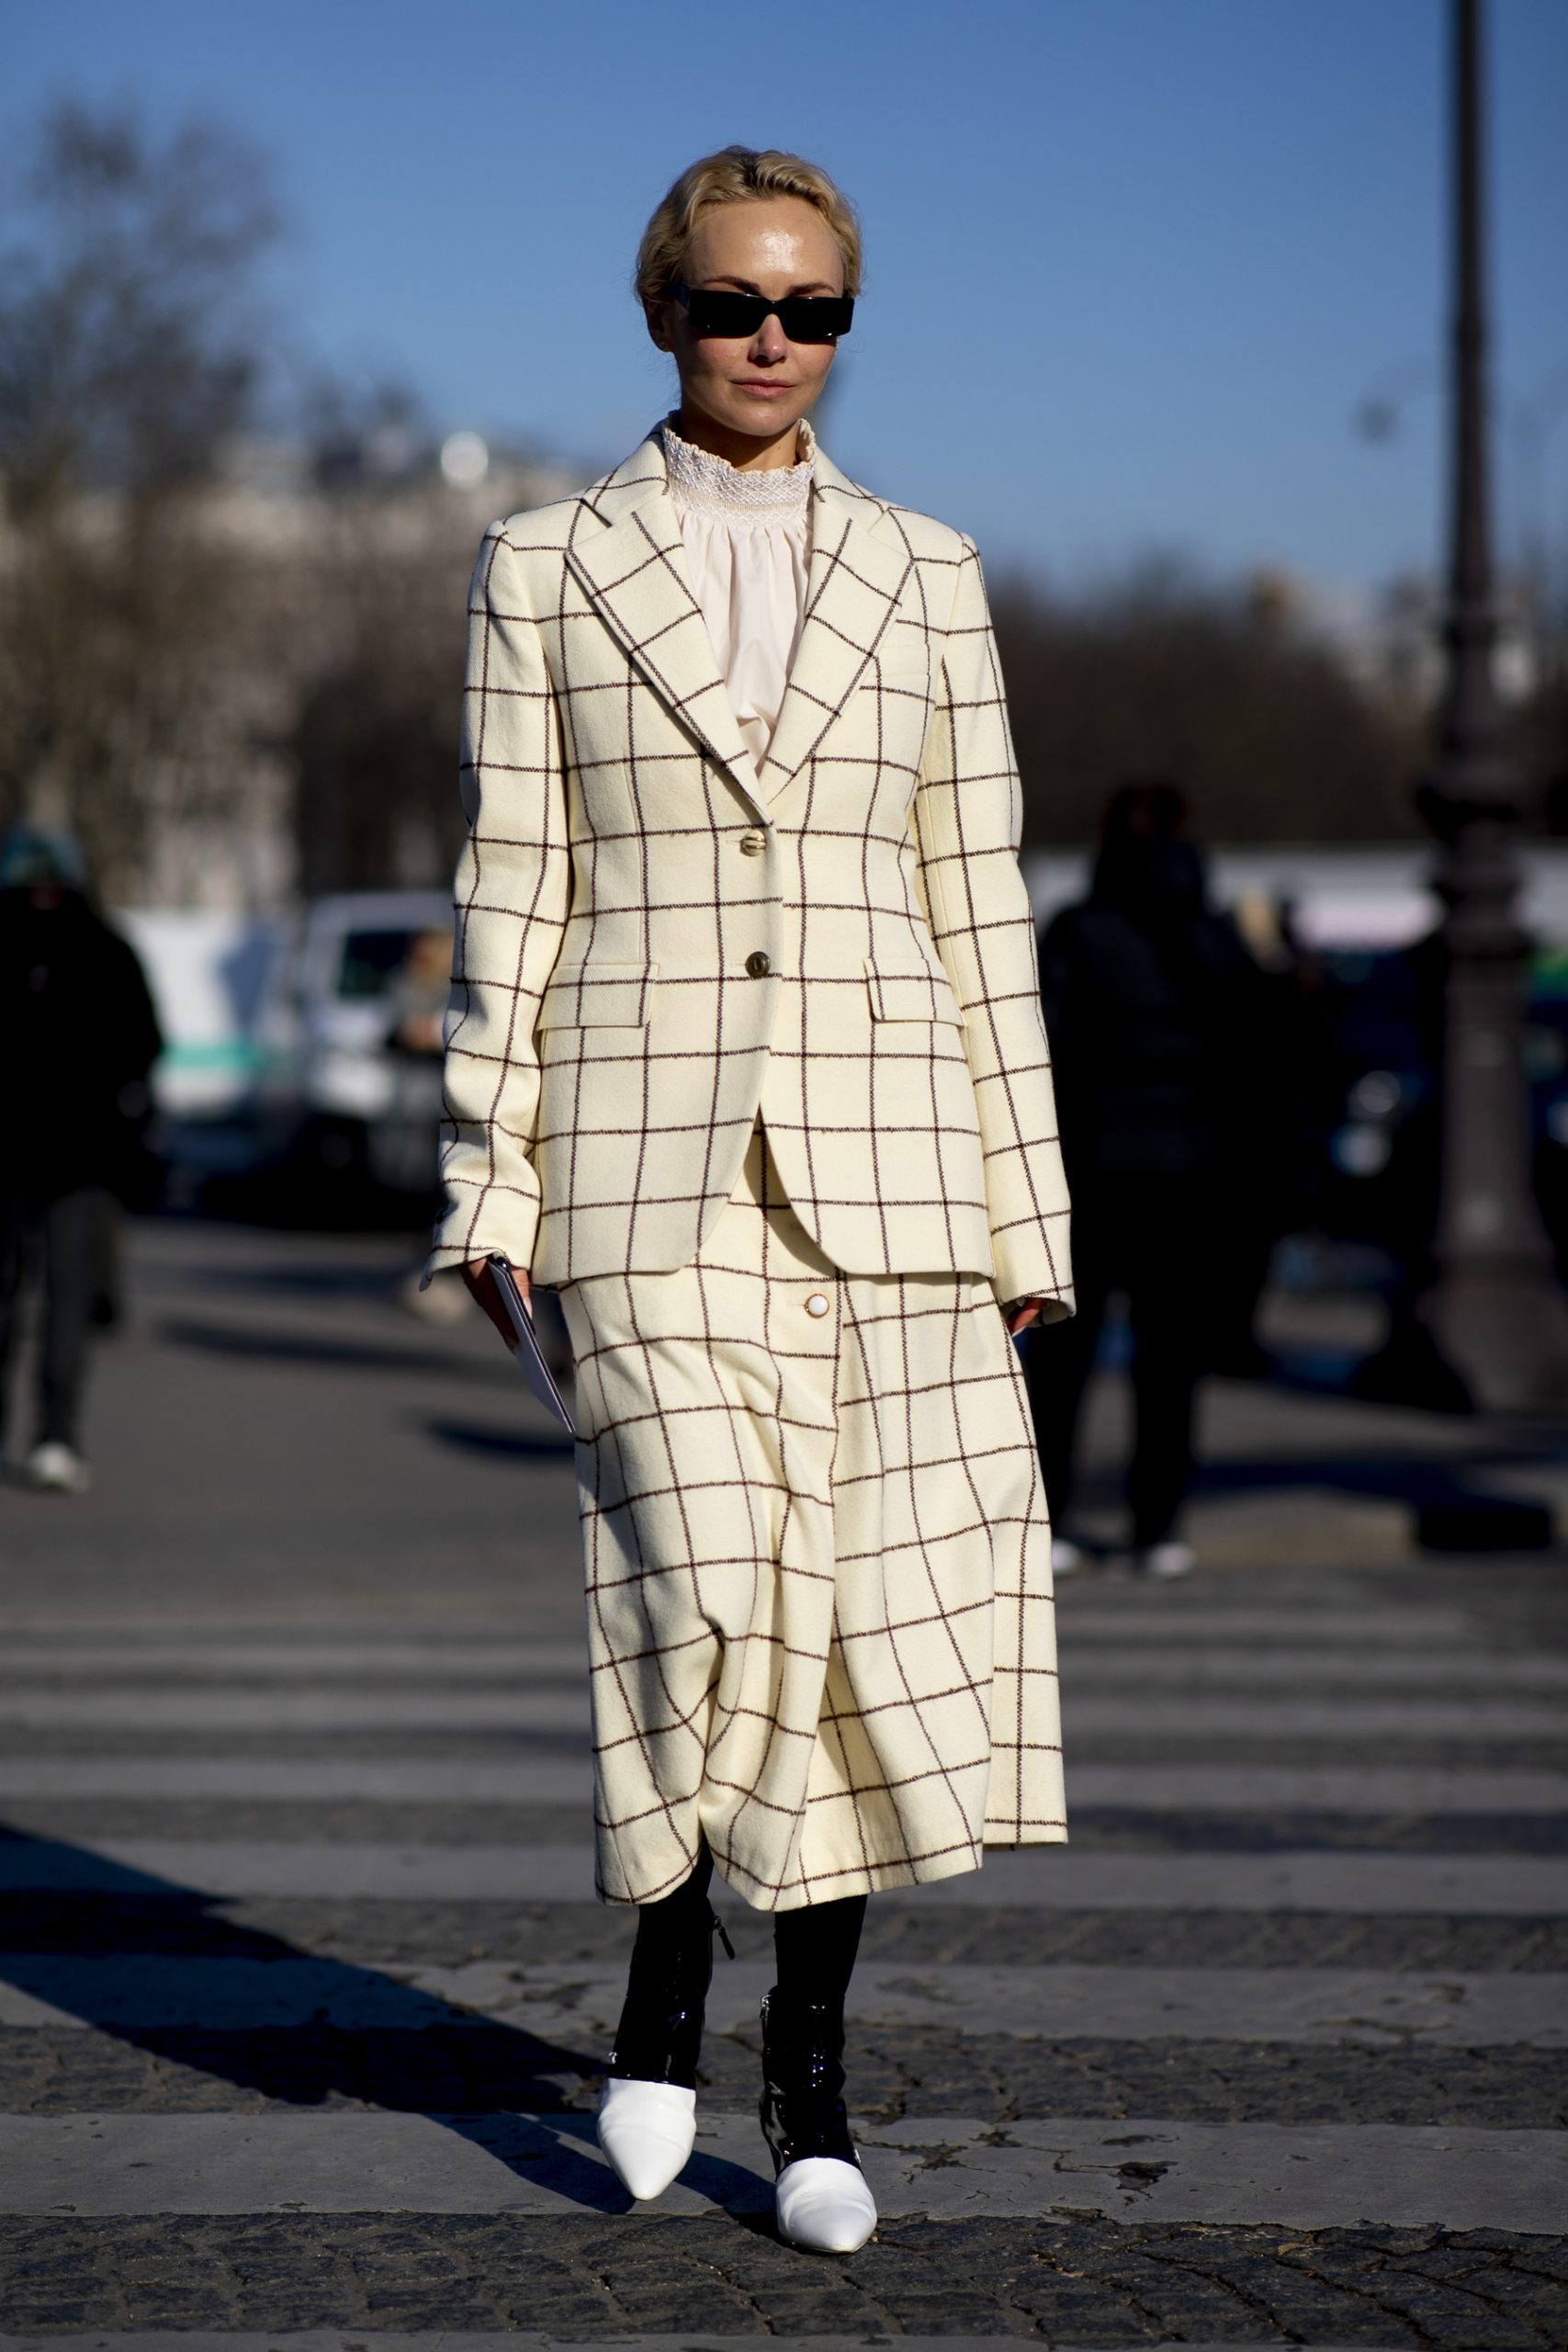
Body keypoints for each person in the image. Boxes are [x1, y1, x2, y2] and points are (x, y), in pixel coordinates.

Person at [426, 147, 1073, 2253]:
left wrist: (1025, 1218)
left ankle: (801, 2060)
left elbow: (972, 906)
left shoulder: (926, 569)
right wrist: (482, 1173)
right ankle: (654, 1971)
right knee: (707, 1586)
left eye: (811, 311)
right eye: (734, 306)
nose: (772, 342)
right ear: (661, 312)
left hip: (896, 1178)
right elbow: (514, 887)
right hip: (638, 1172)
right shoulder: (543, 563)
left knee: (860, 1642)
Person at [1027, 781, 1277, 1578]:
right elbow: (1255, 1058)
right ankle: (1157, 1527)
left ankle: (1054, 1518)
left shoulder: (1078, 932)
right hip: (1189, 1179)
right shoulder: (1215, 937)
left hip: (1091, 1172)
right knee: (1169, 1366)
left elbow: (1043, 1048)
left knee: (1065, 1366)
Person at [0, 825, 162, 1492]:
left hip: (46, 1160)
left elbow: (145, 1047)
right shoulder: (108, 948)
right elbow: (147, 1047)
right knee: (64, 1302)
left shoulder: (101, 948)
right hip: (78, 1160)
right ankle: (56, 1437)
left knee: (34, 1303)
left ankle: (56, 1434)